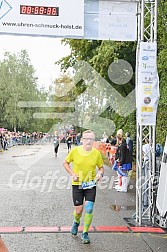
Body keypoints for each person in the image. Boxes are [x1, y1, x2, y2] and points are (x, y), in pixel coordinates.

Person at [63, 130, 104, 244]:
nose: (89, 141)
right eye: (87, 139)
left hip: (90, 185)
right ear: (82, 140)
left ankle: (85, 233)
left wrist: (100, 173)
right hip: (78, 184)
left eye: (91, 139)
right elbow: (65, 163)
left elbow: (101, 168)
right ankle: (76, 222)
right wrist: (72, 174)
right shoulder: (75, 151)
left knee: (89, 208)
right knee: (79, 210)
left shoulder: (96, 153)